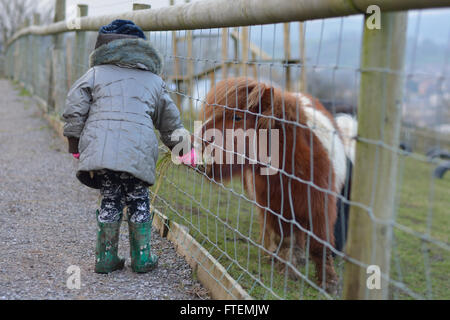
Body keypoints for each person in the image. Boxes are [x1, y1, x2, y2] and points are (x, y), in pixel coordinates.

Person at [62, 20, 191, 274]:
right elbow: (170, 121)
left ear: (102, 48)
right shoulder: (154, 80)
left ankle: (105, 257)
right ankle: (142, 258)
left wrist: (74, 143)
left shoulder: (95, 74)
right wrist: (183, 150)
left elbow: (74, 107)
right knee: (139, 200)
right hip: (138, 152)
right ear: (142, 49)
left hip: (103, 153)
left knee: (110, 198)